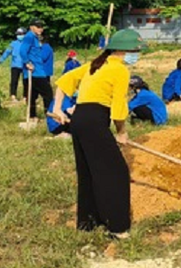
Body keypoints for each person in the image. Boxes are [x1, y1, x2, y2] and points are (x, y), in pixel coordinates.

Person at [50, 29, 145, 237]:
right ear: (123, 50)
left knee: (89, 171)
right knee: (116, 172)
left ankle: (89, 222)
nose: (136, 55)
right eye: (136, 50)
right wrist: (121, 132)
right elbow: (119, 104)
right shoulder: (120, 70)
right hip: (94, 119)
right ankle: (118, 227)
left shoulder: (96, 65)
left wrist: (57, 108)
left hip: (80, 119)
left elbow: (64, 81)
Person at [20, 19, 54, 120]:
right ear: (31, 27)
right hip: (35, 72)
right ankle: (50, 115)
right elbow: (22, 51)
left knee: (32, 95)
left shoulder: (35, 38)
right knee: (48, 93)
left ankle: (32, 115)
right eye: (38, 26)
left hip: (37, 70)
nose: (40, 29)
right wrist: (27, 63)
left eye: (41, 27)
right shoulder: (29, 36)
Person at [0, 27, 26, 101]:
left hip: (25, 65)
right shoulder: (13, 44)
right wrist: (0, 60)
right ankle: (13, 96)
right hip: (15, 65)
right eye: (18, 34)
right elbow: (7, 52)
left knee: (26, 81)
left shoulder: (27, 44)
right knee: (14, 81)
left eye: (21, 34)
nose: (20, 35)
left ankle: (25, 96)